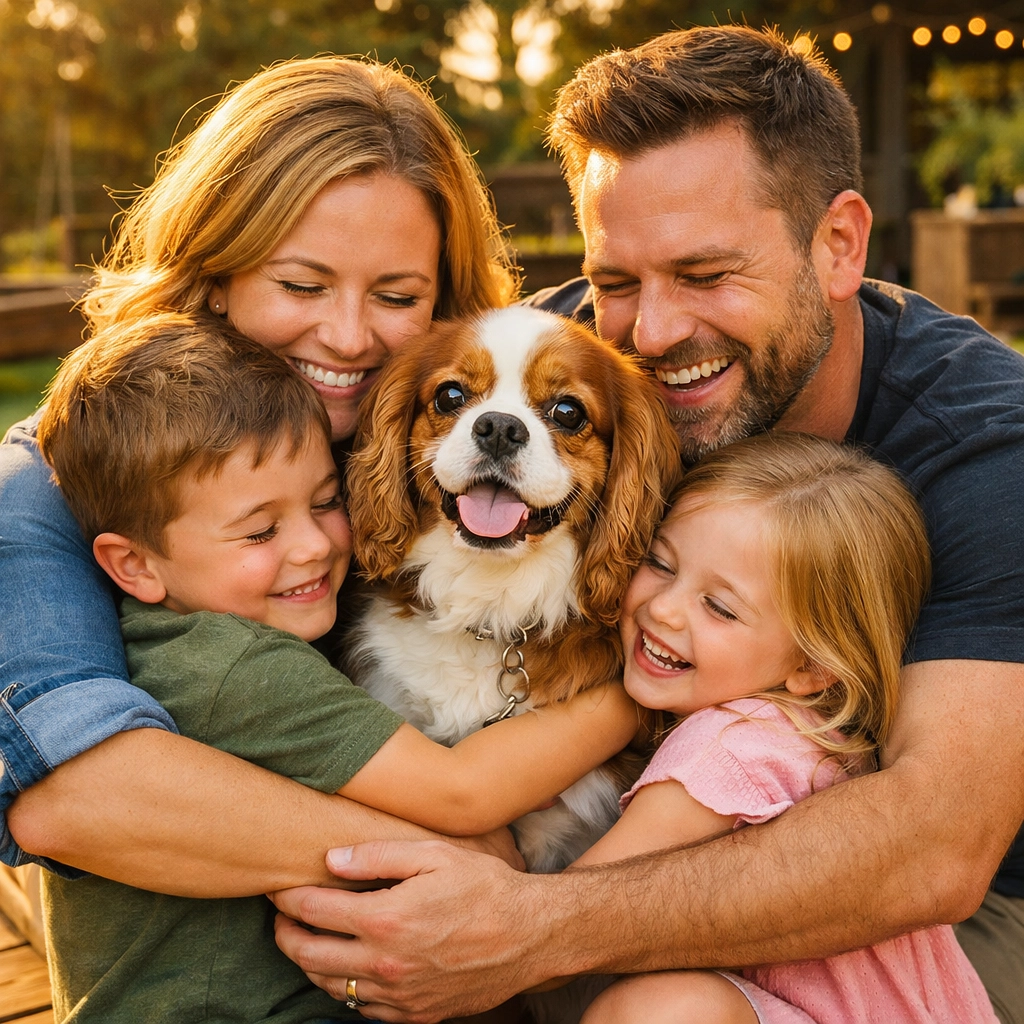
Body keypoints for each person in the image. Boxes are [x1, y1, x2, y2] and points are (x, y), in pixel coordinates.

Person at [267, 25, 1024, 1024]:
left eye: (705, 274)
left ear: (837, 242)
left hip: (918, 939)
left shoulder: (988, 446)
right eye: (616, 280)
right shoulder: (569, 361)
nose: (652, 333)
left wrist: (525, 925)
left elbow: (935, 849)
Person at [0, 55, 525, 894]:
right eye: (301, 284)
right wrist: (469, 860)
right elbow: (72, 794)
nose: (349, 337)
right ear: (214, 275)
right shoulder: (58, 476)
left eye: (396, 296)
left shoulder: (473, 451)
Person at [35, 313, 635, 1024]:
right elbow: (463, 799)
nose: (315, 546)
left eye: (565, 413)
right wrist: (634, 699)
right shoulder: (241, 669)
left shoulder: (264, 637)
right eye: (452, 399)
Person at [573, 432, 994, 1024]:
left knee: (656, 1011)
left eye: (720, 608)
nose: (664, 608)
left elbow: (573, 913)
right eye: (660, 562)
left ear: (811, 666)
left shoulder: (728, 743)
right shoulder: (824, 741)